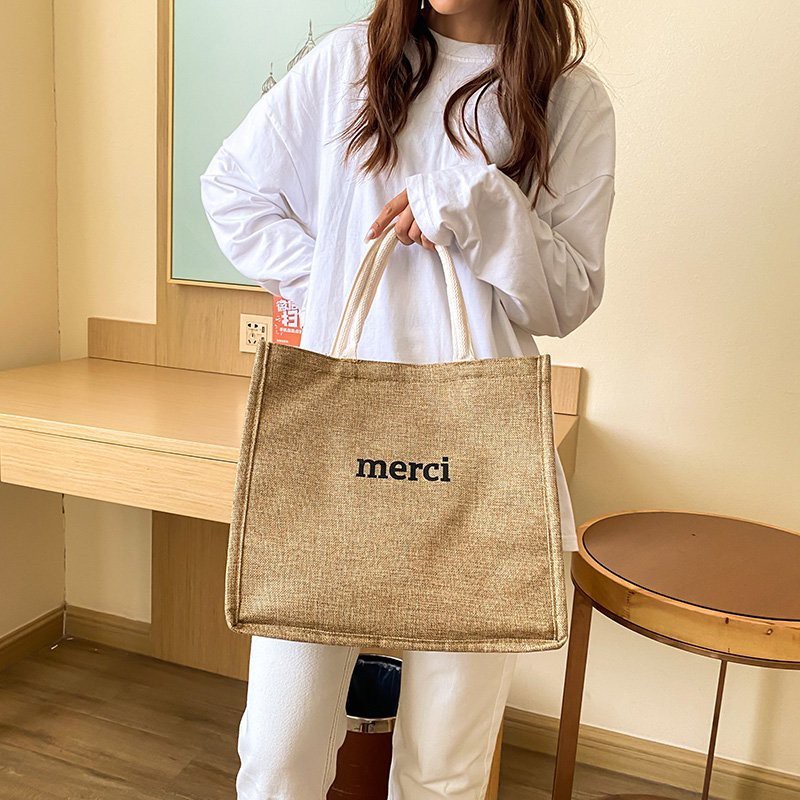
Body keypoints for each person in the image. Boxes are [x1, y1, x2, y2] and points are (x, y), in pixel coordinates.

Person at [200, 1, 615, 797]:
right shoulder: (347, 64)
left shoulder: (569, 98)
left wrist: (483, 205)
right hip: (334, 439)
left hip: (479, 456)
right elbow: (233, 191)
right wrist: (331, 275)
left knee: (444, 770)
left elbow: (565, 300)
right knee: (279, 755)